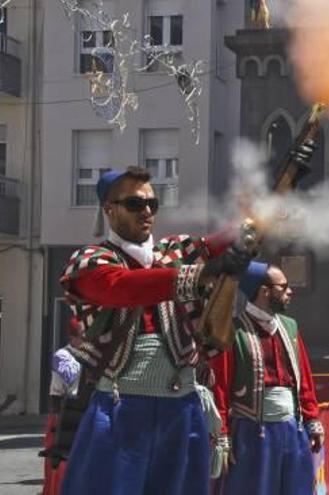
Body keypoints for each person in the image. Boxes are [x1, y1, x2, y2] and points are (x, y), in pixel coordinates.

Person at [58, 166, 258, 495]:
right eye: (136, 204)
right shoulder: (90, 260)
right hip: (121, 410)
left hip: (182, 408)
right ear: (109, 209)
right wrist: (200, 274)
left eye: (153, 204)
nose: (147, 212)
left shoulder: (175, 251)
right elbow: (124, 288)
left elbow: (225, 243)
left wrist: (260, 215)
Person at [210, 262, 323, 495]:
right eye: (284, 287)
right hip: (251, 433)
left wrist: (312, 419)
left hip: (293, 429)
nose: (290, 292)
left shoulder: (290, 328)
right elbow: (219, 387)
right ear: (264, 292)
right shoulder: (232, 331)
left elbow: (303, 378)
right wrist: (222, 435)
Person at [40, 325, 83, 495]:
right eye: (83, 336)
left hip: (80, 410)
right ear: (73, 338)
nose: (86, 340)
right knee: (59, 458)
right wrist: (89, 356)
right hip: (62, 412)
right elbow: (70, 374)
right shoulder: (61, 355)